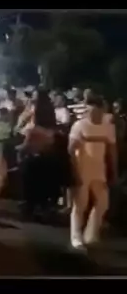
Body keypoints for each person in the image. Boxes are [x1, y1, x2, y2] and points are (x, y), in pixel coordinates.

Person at [68, 94, 117, 249]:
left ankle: (90, 233)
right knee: (80, 204)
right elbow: (71, 150)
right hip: (82, 168)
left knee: (103, 202)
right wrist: (75, 171)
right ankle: (76, 237)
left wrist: (113, 170)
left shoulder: (108, 126)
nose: (95, 113)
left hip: (99, 169)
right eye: (91, 110)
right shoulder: (79, 125)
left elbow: (112, 150)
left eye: (98, 110)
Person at [18, 89, 58, 219]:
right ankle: (44, 207)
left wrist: (19, 149)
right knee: (44, 185)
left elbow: (26, 145)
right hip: (49, 159)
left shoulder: (34, 128)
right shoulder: (52, 129)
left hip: (33, 160)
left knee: (30, 183)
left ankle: (29, 207)